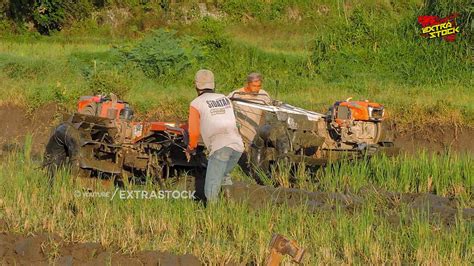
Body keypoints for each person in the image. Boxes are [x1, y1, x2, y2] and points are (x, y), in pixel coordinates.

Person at [186, 69, 244, 202]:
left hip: (220, 147)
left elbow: (194, 132)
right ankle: (230, 205)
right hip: (237, 147)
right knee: (223, 177)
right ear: (213, 84)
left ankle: (214, 217)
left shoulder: (196, 103)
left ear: (196, 85)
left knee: (211, 190)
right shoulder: (225, 98)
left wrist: (191, 148)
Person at [228, 72, 272, 149]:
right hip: (241, 135)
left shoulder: (263, 95)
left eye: (259, 86)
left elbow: (270, 111)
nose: (257, 89)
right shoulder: (236, 95)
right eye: (254, 86)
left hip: (257, 135)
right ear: (248, 84)